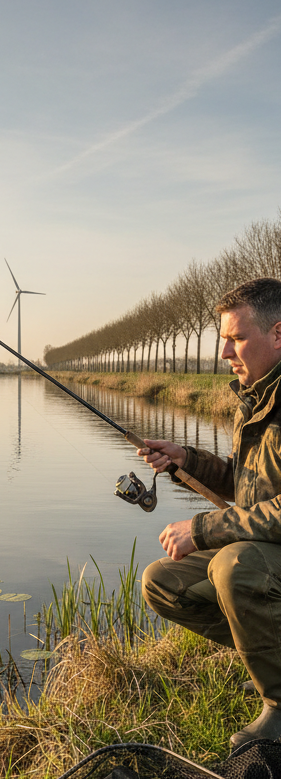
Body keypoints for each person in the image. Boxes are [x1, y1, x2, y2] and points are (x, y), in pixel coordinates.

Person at [140, 278, 281, 749]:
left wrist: (202, 529)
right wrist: (186, 461)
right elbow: (246, 483)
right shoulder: (255, 395)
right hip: (272, 551)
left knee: (233, 565)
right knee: (162, 581)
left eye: (236, 338)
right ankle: (269, 659)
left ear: (278, 334)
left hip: (265, 554)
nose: (224, 352)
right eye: (224, 338)